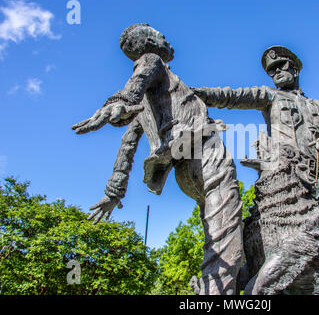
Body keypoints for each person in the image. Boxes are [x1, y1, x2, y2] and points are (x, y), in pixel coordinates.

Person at [72, 23, 243, 295]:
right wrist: (120, 100)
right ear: (150, 40)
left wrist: (114, 191)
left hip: (182, 171)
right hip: (203, 153)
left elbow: (128, 143)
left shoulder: (154, 98)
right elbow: (136, 84)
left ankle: (223, 283)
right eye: (161, 34)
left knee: (218, 231)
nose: (167, 39)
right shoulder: (153, 63)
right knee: (226, 237)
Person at [193, 46, 319, 227]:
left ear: (295, 68)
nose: (276, 71)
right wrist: (201, 94)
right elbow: (234, 96)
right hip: (285, 177)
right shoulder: (270, 95)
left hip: (318, 180)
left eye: (281, 65)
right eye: (272, 70)